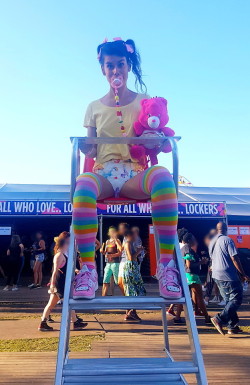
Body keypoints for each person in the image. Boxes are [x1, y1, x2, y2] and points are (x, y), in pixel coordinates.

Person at [72, 38, 181, 300]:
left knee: (164, 177)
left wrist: (155, 139)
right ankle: (87, 269)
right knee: (83, 182)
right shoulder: (93, 107)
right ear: (103, 70)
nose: (115, 71)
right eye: (110, 66)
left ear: (127, 66)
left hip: (135, 173)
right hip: (105, 174)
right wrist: (86, 148)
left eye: (120, 64)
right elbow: (91, 150)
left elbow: (153, 132)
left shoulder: (144, 101)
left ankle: (166, 266)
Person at [38, 232, 87, 331]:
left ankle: (43, 323)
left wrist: (76, 270)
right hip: (59, 284)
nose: (70, 244)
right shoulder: (60, 255)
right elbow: (55, 271)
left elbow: (64, 269)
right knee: (67, 303)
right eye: (68, 242)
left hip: (62, 283)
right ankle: (75, 322)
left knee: (53, 304)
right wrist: (52, 284)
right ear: (63, 243)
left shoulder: (64, 254)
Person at [209, 222, 250, 335]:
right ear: (226, 229)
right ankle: (219, 318)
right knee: (237, 299)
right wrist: (243, 274)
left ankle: (232, 326)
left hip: (216, 275)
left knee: (229, 300)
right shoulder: (227, 240)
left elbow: (212, 258)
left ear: (217, 230)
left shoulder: (212, 242)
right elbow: (235, 258)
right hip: (228, 275)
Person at [183, 232, 211, 325]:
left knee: (194, 294)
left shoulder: (187, 248)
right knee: (200, 296)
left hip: (189, 275)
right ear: (189, 240)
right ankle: (207, 317)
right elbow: (189, 265)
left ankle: (196, 311)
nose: (195, 240)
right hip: (192, 276)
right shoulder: (187, 249)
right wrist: (201, 262)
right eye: (193, 238)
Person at [123, 230, 146, 321]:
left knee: (134, 290)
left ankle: (130, 312)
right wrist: (139, 251)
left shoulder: (131, 244)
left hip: (134, 266)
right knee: (134, 290)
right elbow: (130, 257)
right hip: (131, 267)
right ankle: (132, 312)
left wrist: (140, 252)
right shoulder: (128, 243)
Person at [100, 226, 122, 296]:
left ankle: (125, 296)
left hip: (115, 263)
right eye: (110, 232)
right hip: (108, 263)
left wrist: (111, 255)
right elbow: (106, 252)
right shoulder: (107, 241)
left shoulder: (117, 241)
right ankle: (103, 297)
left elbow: (120, 252)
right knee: (105, 281)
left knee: (118, 281)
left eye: (113, 232)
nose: (111, 233)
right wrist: (103, 252)